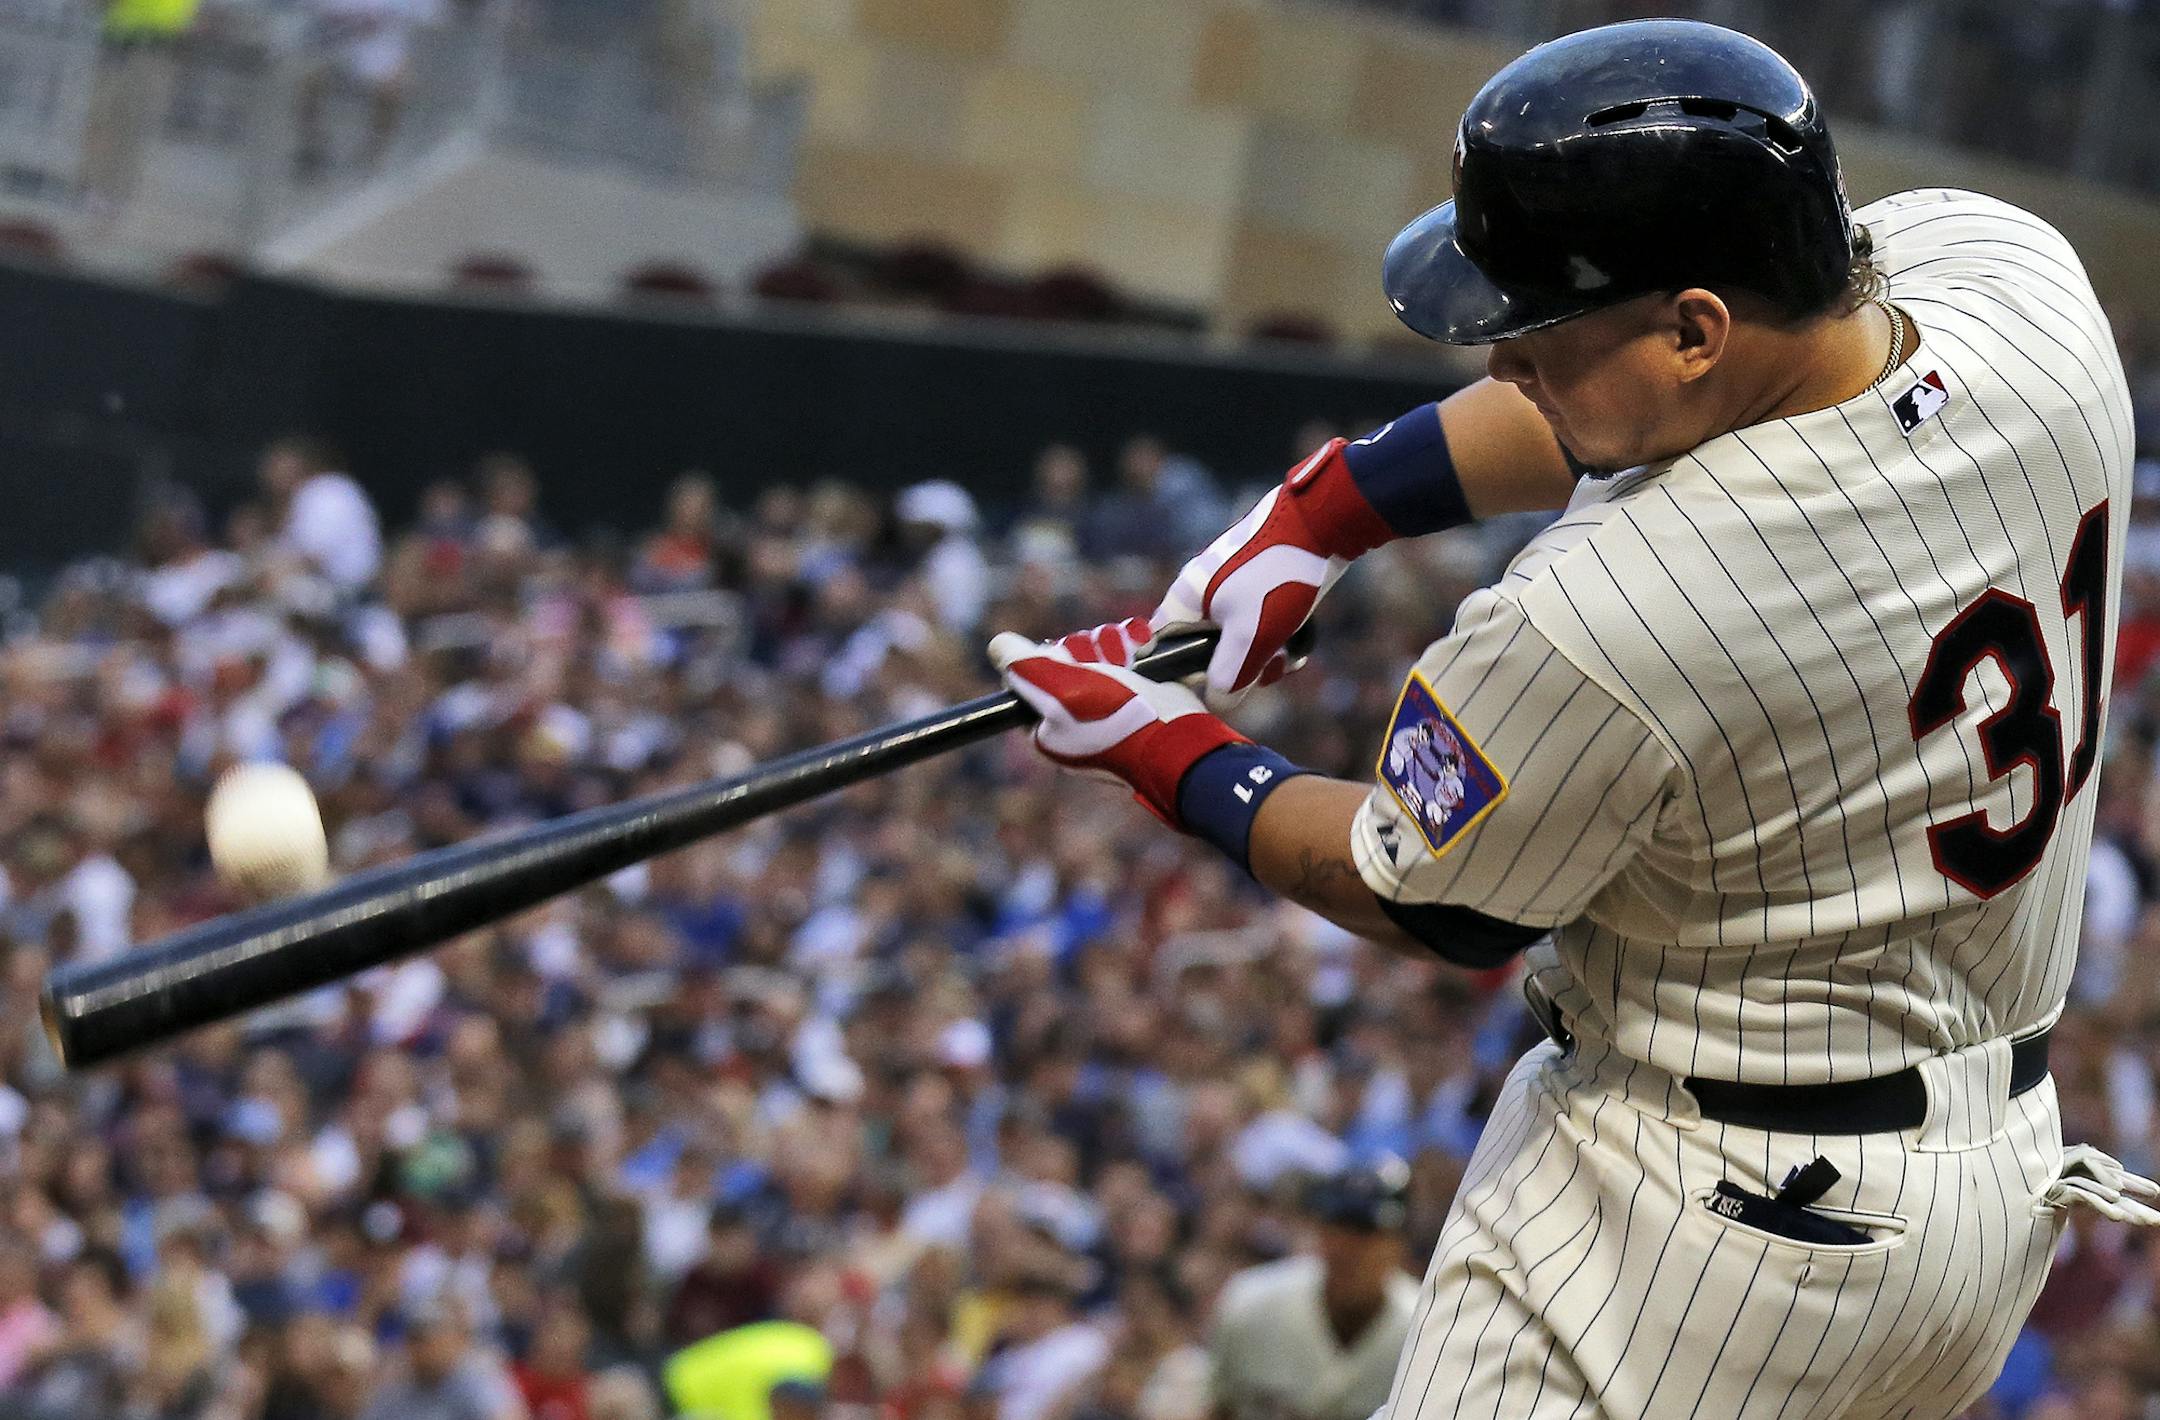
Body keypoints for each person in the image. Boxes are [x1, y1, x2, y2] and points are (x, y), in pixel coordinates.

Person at [990, 19, 2160, 1418]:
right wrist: (1326, 508)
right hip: (1984, 1194)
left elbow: (1422, 896)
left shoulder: (1615, 606)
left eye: (1540, 341)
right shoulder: (2021, 284)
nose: (1505, 376)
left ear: (1690, 329)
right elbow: (1728, 364)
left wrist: (1160, 748)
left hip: (1703, 1228)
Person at [1206, 1164, 1418, 1420]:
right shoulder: (1250, 1302)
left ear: (1398, 1245)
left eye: (1365, 1233)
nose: (1347, 1247)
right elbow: (1217, 1406)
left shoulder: (1423, 1326)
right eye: (1338, 1227)